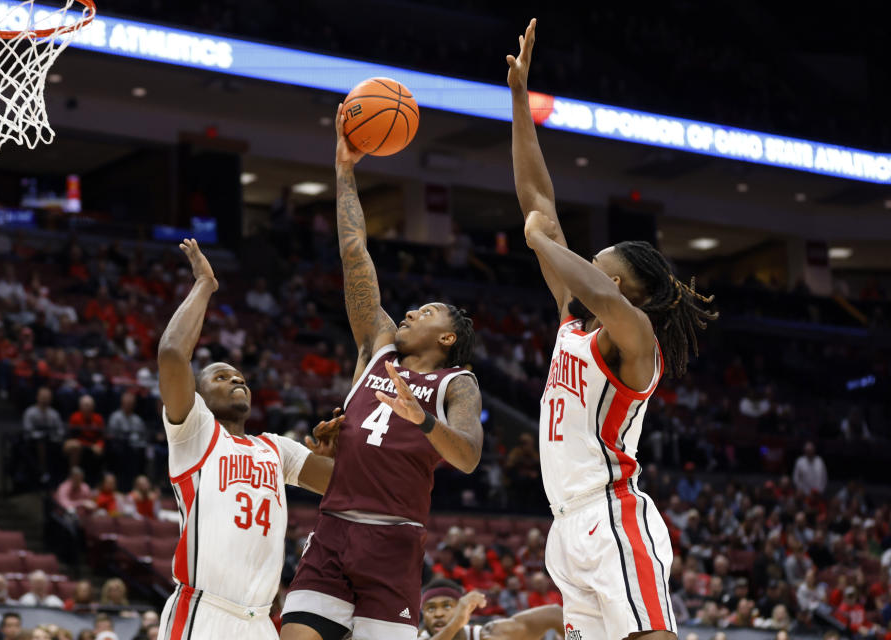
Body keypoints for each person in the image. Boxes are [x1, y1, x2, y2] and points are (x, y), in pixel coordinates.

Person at [508, 19, 717, 640]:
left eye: (600, 263)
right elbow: (536, 197)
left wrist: (540, 240)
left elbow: (583, 275)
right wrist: (520, 101)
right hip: (566, 525)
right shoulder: (576, 322)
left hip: (613, 514)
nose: (587, 267)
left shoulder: (634, 342)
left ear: (622, 286)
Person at [280, 107, 483, 640]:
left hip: (395, 543)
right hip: (333, 530)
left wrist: (424, 423)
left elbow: (467, 456)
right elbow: (355, 255)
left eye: (429, 311)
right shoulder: (378, 347)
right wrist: (345, 170)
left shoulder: (455, 384)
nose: (413, 311)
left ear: (448, 338)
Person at [155, 238, 343, 640]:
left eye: (240, 376)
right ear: (199, 396)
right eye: (221, 376)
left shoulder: (276, 447)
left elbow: (343, 484)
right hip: (204, 610)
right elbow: (172, 353)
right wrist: (205, 284)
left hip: (260, 621)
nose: (236, 378)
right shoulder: (196, 432)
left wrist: (338, 451)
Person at [418, 579, 563, 639]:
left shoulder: (488, 634)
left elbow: (555, 613)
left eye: (447, 606)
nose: (438, 614)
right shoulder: (411, 636)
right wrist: (456, 622)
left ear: (461, 608)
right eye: (430, 609)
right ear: (423, 614)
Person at [22, 387, 65, 484]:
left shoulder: (54, 414)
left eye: (47, 397)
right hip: (32, 443)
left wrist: (55, 437)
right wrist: (41, 435)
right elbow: (27, 430)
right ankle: (42, 471)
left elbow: (60, 430)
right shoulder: (30, 412)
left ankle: (56, 476)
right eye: (43, 397)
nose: (45, 399)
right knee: (40, 442)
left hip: (52, 442)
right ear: (37, 397)